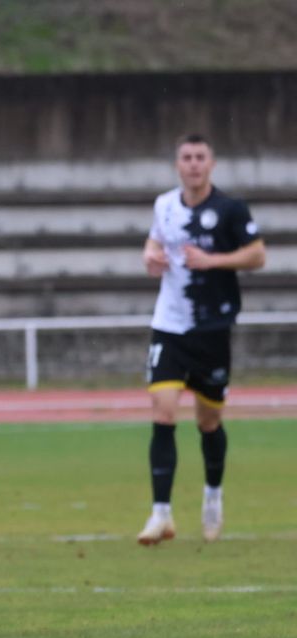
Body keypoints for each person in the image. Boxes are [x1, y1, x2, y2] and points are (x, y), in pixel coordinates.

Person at [137, 133, 266, 546]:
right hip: (170, 325)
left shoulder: (230, 209)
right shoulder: (164, 205)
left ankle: (212, 495)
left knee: (208, 421)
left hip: (212, 328)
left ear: (211, 163)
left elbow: (258, 255)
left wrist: (214, 261)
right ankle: (161, 514)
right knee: (163, 411)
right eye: (186, 157)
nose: (193, 164)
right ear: (177, 164)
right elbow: (155, 241)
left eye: (200, 157)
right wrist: (150, 256)